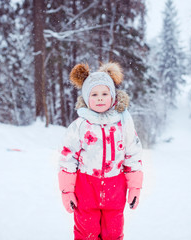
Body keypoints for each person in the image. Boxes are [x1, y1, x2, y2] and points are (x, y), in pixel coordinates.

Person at [58, 62, 143, 240]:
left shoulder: (123, 123)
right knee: (86, 233)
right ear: (86, 98)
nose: (100, 98)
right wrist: (68, 191)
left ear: (112, 96)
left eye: (104, 94)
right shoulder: (80, 125)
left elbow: (133, 154)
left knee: (113, 233)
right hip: (85, 189)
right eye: (94, 94)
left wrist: (134, 188)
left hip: (115, 190)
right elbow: (68, 159)